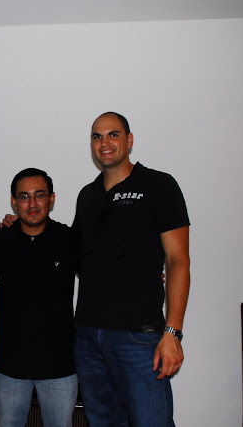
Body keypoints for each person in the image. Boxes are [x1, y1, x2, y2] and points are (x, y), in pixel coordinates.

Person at [73, 112, 191, 426]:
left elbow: (178, 260)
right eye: (97, 136)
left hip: (138, 338)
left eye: (113, 134)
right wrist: (22, 225)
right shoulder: (87, 196)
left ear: (129, 140)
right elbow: (77, 256)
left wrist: (173, 333)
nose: (104, 142)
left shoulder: (159, 185)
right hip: (88, 338)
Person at [0, 168, 78, 427]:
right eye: (24, 196)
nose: (32, 204)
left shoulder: (68, 239)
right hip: (9, 366)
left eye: (39, 195)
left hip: (60, 366)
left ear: (51, 199)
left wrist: (141, 273)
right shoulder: (0, 239)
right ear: (14, 202)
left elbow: (103, 270)